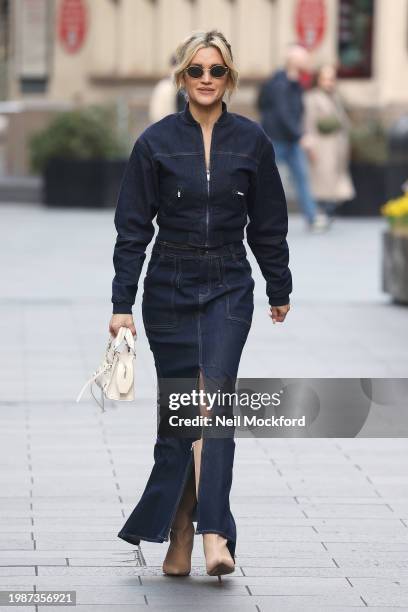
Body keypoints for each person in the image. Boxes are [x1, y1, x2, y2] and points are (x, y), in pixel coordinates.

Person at [109, 29, 292, 579]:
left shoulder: (252, 141)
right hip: (167, 285)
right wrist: (122, 303)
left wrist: (278, 286)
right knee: (181, 415)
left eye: (215, 70)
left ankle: (214, 532)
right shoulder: (156, 142)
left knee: (213, 404)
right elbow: (132, 229)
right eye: (196, 70)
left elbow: (270, 222)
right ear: (182, 77)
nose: (206, 79)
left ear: (229, 77)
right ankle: (181, 529)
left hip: (228, 284)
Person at [257, 43, 328, 232]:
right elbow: (282, 114)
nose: (307, 61)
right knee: (263, 180)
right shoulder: (279, 83)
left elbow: (295, 113)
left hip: (291, 140)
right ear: (294, 61)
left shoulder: (296, 84)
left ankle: (312, 218)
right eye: (304, 58)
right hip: (276, 139)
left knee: (302, 177)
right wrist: (301, 135)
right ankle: (252, 216)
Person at [302, 63, 355, 223]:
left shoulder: (336, 98)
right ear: (318, 79)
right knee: (321, 181)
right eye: (325, 78)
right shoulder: (311, 98)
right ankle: (321, 213)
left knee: (335, 181)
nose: (329, 82)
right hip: (321, 145)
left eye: (331, 79)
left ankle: (328, 212)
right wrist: (309, 145)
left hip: (337, 146)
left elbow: (344, 121)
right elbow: (308, 123)